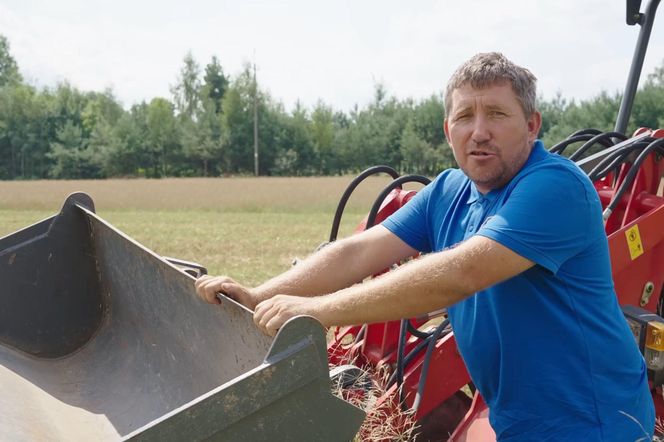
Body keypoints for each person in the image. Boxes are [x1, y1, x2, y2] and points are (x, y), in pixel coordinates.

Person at [195, 52, 655, 441]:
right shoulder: (449, 190)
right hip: (518, 420)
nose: (479, 131)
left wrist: (318, 311)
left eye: (496, 114)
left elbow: (460, 274)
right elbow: (357, 252)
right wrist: (260, 294)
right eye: (464, 116)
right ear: (446, 129)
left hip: (596, 424)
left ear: (531, 124)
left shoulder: (555, 187)